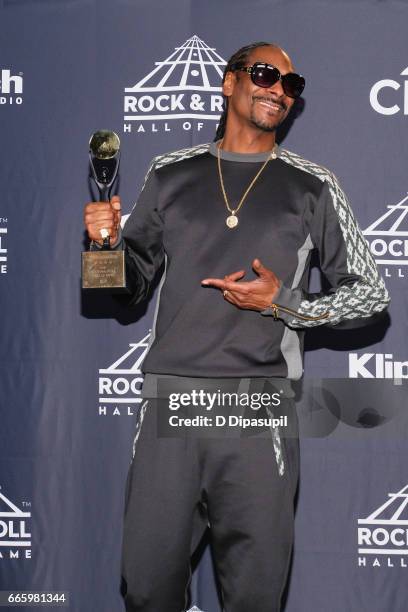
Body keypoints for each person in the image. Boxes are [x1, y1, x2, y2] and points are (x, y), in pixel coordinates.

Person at [84, 42, 389, 612]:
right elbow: (127, 288)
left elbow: (372, 294)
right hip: (171, 400)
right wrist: (104, 246)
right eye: (266, 75)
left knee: (254, 594)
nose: (279, 90)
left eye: (292, 85)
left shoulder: (313, 184)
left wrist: (287, 303)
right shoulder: (170, 173)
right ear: (229, 83)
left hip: (257, 408)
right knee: (146, 587)